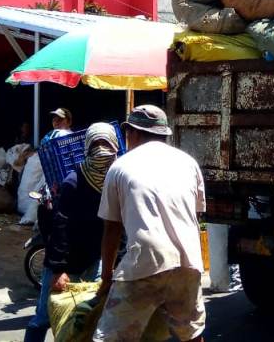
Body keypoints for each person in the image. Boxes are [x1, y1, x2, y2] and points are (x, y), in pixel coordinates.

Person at [93, 105, 206, 342]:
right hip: (190, 260)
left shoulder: (120, 166)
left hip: (145, 260)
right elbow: (194, 215)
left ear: (133, 133)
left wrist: (105, 279)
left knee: (108, 338)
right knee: (191, 334)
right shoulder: (188, 163)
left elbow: (111, 229)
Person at [23, 123, 120, 342]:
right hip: (65, 262)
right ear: (87, 148)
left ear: (115, 146)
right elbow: (60, 227)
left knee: (88, 317)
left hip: (94, 260)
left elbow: (116, 227)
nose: (102, 151)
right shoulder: (74, 182)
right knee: (43, 318)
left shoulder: (115, 181)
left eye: (106, 144)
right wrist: (58, 270)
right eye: (97, 145)